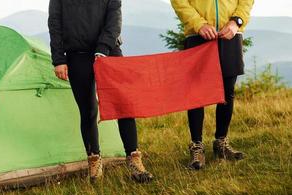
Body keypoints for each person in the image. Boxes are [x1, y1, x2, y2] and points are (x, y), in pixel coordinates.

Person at [48, 0, 153, 182]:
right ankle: (94, 160)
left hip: (110, 51)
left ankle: (134, 160)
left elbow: (114, 17)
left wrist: (103, 49)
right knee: (88, 111)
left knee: (124, 105)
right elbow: (55, 23)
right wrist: (58, 59)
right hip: (77, 55)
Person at [171, 0, 254, 169]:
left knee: (227, 93)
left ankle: (221, 143)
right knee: (196, 94)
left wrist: (236, 21)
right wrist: (198, 24)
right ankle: (196, 147)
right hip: (197, 34)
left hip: (230, 33)